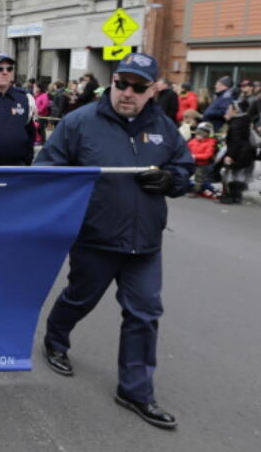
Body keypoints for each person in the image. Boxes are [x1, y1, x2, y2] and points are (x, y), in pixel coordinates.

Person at [35, 53, 192, 429]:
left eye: (138, 87)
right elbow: (45, 170)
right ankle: (56, 338)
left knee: (144, 312)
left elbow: (184, 168)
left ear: (153, 90)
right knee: (80, 297)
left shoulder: (164, 127)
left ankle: (136, 391)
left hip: (145, 244)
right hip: (95, 237)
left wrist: (171, 180)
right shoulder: (79, 122)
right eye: (121, 83)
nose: (127, 93)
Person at [219, 100, 257, 204]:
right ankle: (237, 197)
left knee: (230, 174)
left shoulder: (236, 123)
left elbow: (235, 141)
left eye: (230, 109)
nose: (227, 110)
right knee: (239, 174)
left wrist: (230, 155)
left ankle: (229, 197)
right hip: (245, 152)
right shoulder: (245, 120)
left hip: (239, 152)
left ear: (236, 111)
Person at [187, 121, 218, 197]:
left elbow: (208, 155)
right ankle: (185, 187)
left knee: (199, 178)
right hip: (191, 162)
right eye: (197, 134)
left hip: (201, 164)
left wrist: (195, 156)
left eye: (200, 134)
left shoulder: (210, 142)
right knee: (186, 174)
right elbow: (186, 149)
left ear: (206, 135)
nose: (197, 136)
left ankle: (195, 191)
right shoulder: (193, 141)